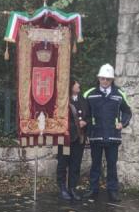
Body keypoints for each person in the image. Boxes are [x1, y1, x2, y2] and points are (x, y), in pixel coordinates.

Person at [82, 64, 132, 202]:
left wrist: (123, 123)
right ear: (98, 78)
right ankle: (93, 189)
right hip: (96, 135)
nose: (105, 81)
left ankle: (113, 191)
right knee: (95, 164)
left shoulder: (119, 94)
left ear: (112, 80)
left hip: (113, 135)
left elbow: (127, 111)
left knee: (112, 165)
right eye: (103, 78)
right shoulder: (89, 94)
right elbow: (85, 115)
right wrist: (86, 133)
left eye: (108, 79)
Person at [56, 79, 86, 201]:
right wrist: (76, 125)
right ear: (71, 86)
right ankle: (62, 187)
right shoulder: (62, 101)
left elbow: (88, 115)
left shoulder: (83, 100)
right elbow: (60, 120)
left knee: (75, 164)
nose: (78, 85)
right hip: (66, 139)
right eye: (76, 83)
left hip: (79, 138)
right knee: (63, 163)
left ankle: (72, 187)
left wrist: (85, 122)